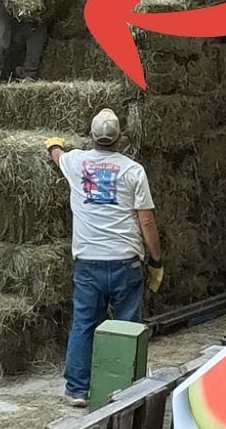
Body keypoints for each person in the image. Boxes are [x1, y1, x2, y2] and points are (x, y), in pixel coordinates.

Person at [44, 109, 164, 408]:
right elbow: (146, 221)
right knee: (126, 326)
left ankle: (77, 390)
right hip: (126, 263)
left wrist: (52, 144)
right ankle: (122, 391)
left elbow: (57, 155)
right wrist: (157, 260)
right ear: (119, 137)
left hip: (88, 264)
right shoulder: (133, 170)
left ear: (91, 136)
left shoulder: (76, 162)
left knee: (84, 324)